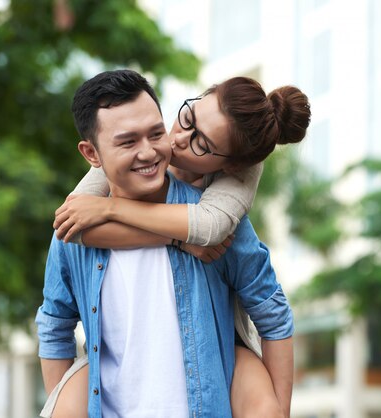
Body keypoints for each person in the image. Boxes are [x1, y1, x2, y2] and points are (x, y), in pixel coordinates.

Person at [35, 69, 296, 418]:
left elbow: (273, 314)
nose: (159, 148)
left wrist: (277, 409)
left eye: (155, 134)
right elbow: (54, 326)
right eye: (128, 142)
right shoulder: (77, 223)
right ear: (91, 154)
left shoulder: (222, 221)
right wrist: (64, 399)